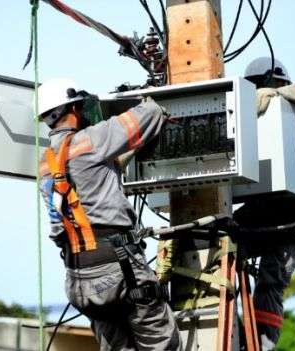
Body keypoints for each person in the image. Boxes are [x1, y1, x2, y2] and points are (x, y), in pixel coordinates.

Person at [37, 78, 182, 351]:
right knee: (161, 344)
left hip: (80, 279)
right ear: (72, 108)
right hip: (119, 267)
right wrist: (139, 99)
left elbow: (92, 179)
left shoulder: (46, 163)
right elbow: (150, 113)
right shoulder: (93, 139)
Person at [234, 57, 295, 350]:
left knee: (272, 275)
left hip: (294, 219)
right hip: (258, 212)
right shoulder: (243, 111)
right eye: (264, 86)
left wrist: (280, 96)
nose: (268, 89)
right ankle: (236, 334)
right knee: (222, 253)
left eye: (276, 85)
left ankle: (262, 344)